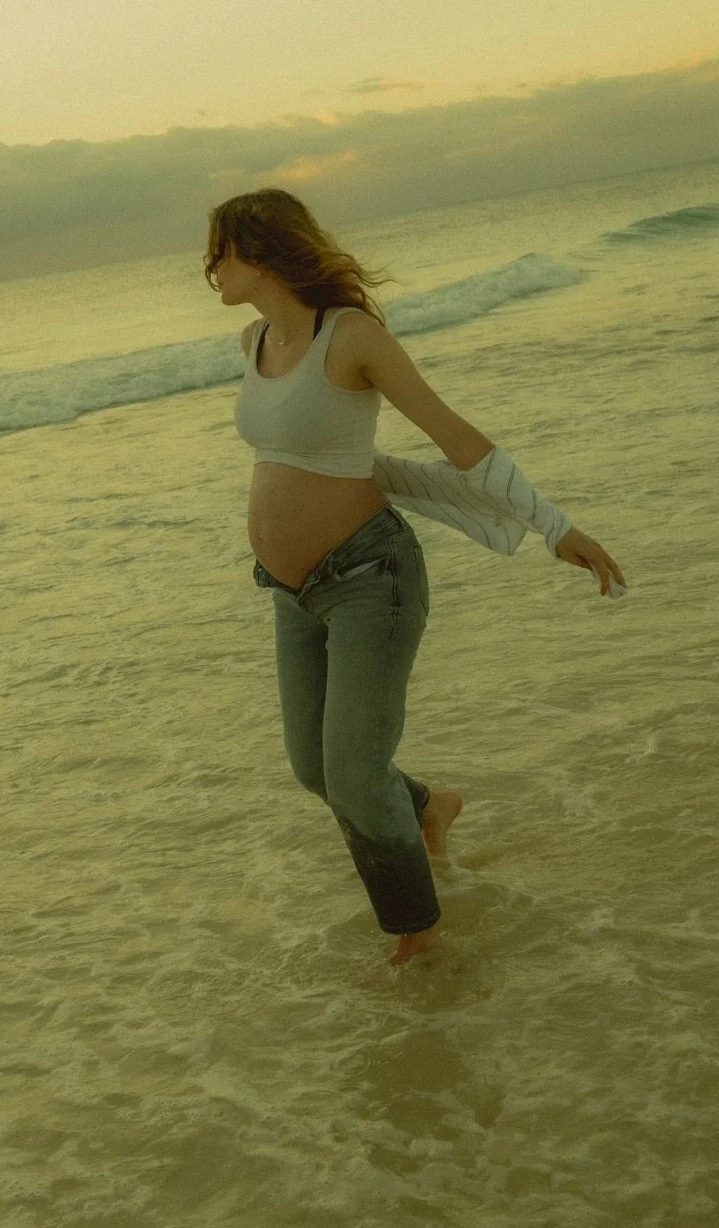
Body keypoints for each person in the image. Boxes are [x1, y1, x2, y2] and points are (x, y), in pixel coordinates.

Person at [204, 188, 625, 967]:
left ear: (261, 253)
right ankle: (431, 808)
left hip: (371, 577)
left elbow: (453, 434)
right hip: (291, 594)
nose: (208, 269)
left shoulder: (352, 336)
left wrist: (554, 525)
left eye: (220, 250)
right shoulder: (253, 341)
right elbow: (306, 459)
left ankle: (418, 937)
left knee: (354, 775)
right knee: (314, 766)